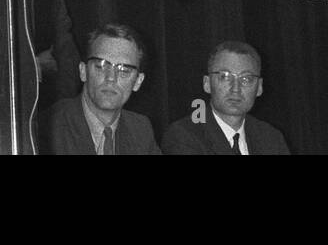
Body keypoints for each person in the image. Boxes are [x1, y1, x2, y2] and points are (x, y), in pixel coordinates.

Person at [47, 22, 161, 154]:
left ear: (138, 82)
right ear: (83, 71)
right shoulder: (50, 128)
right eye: (101, 66)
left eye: (124, 70)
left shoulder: (140, 129)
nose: (111, 77)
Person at [161, 40, 289, 155]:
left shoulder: (271, 137)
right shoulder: (184, 135)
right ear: (207, 84)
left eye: (246, 79)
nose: (235, 88)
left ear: (259, 87)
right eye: (225, 77)